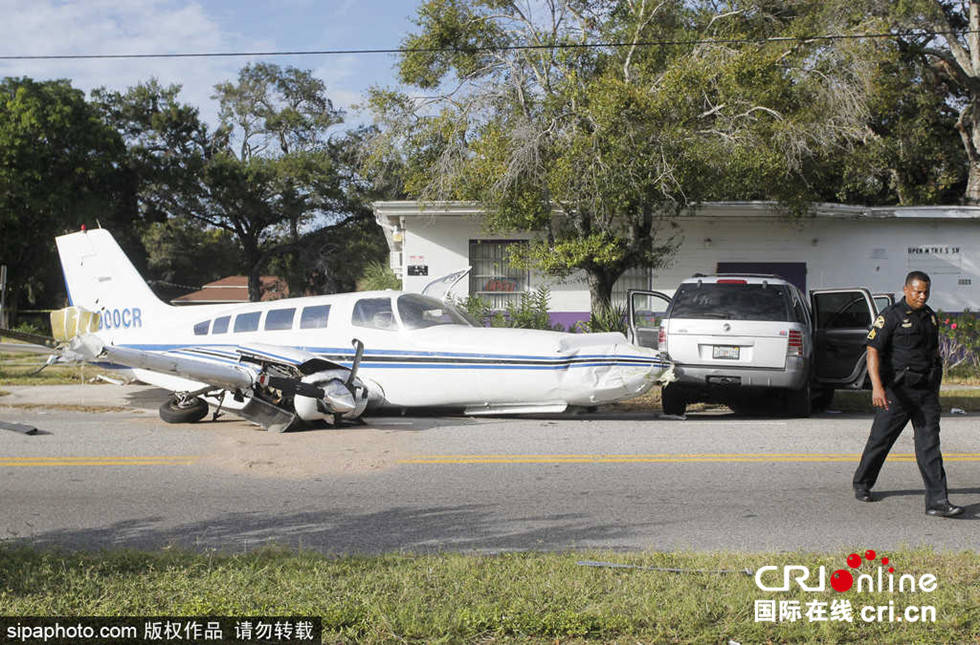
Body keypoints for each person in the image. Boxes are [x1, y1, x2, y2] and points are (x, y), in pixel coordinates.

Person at [852, 271, 962, 517]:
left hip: (925, 392)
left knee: (929, 446)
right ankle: (862, 483)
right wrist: (877, 387)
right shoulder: (891, 316)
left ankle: (937, 502)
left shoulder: (929, 316)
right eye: (917, 291)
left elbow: (933, 353)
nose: (922, 296)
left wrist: (935, 385)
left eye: (926, 292)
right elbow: (873, 351)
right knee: (880, 440)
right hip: (897, 392)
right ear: (906, 289)